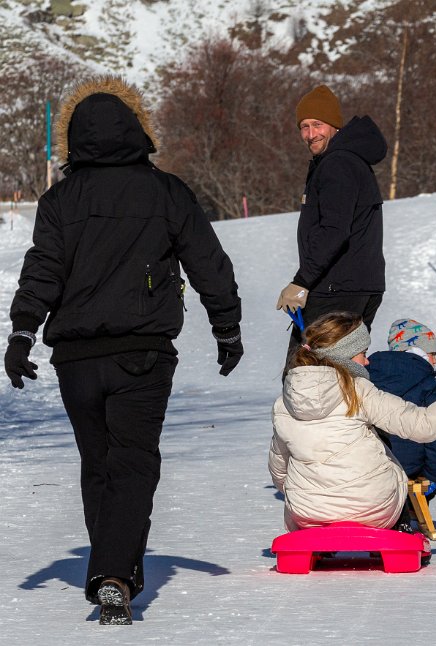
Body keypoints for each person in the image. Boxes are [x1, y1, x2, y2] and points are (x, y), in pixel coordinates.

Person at [3, 76, 243, 625]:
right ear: (138, 132)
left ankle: (115, 569)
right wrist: (226, 329)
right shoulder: (166, 191)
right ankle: (113, 574)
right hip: (143, 352)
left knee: (99, 465)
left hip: (77, 361)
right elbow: (210, 264)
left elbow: (43, 268)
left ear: (75, 140)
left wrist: (22, 333)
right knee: (133, 464)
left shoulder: (61, 199)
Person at [268, 312, 436, 534]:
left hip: (308, 513)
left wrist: (312, 495)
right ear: (344, 355)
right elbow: (422, 425)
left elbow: (279, 470)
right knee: (387, 451)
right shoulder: (358, 391)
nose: (367, 361)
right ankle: (402, 527)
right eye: (362, 353)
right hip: (372, 508)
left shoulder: (284, 402)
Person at [275, 85, 387, 353]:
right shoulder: (349, 160)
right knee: (341, 377)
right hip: (355, 287)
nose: (310, 134)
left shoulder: (338, 164)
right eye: (304, 126)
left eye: (317, 124)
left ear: (334, 125)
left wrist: (302, 281)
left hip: (337, 291)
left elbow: (334, 231)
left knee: (306, 379)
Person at [368, 318, 436, 507]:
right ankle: (407, 508)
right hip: (408, 466)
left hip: (365, 461)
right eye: (432, 353)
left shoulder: (366, 373)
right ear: (420, 352)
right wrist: (432, 477)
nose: (435, 360)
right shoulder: (429, 384)